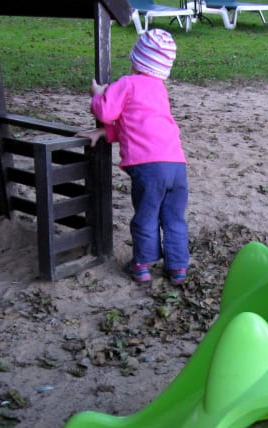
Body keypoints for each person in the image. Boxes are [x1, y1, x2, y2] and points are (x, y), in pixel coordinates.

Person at [76, 29, 189, 285]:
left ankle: (141, 265)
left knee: (147, 215)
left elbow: (106, 111)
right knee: (174, 218)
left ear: (136, 60)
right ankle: (178, 267)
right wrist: (104, 133)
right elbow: (138, 124)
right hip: (177, 165)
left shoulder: (127, 83)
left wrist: (97, 93)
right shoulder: (159, 89)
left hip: (149, 168)